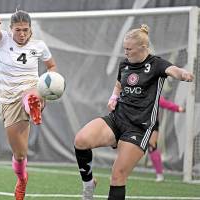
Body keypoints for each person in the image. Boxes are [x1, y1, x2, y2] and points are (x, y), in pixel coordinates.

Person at [74, 24, 194, 200]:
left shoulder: (156, 64)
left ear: (143, 48)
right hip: (117, 118)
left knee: (117, 175)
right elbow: (118, 84)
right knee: (81, 140)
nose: (126, 53)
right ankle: (89, 184)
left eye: (129, 49)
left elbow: (173, 70)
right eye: (124, 49)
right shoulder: (124, 64)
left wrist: (183, 74)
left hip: (139, 127)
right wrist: (113, 97)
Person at [0, 10, 56, 200]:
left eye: (26, 30)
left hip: (31, 90)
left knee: (32, 95)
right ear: (11, 29)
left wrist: (48, 84)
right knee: (20, 154)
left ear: (31, 29)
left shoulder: (39, 46)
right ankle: (22, 179)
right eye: (18, 30)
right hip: (9, 101)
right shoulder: (3, 40)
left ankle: (33, 105)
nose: (22, 34)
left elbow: (51, 66)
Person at [148, 96, 185, 182]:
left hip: (151, 124)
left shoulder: (155, 93)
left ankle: (159, 174)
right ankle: (123, 169)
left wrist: (179, 108)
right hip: (135, 122)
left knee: (152, 147)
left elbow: (165, 103)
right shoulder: (137, 91)